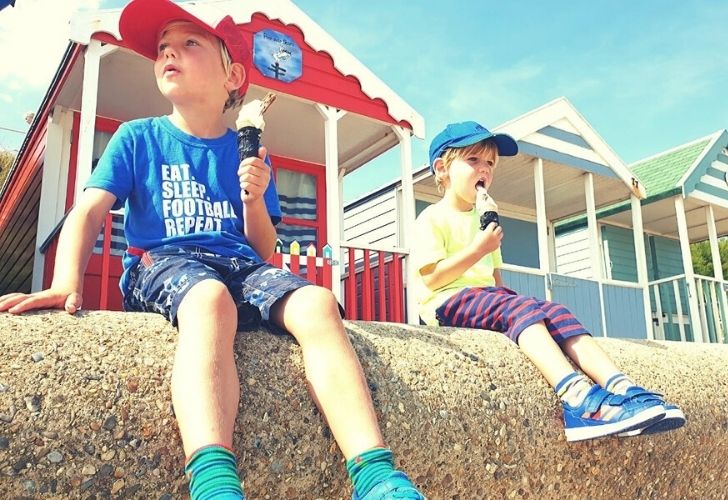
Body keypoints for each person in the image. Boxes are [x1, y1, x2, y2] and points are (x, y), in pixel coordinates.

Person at [0, 0, 423, 498]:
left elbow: (262, 247)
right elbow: (91, 210)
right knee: (207, 300)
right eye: (162, 48)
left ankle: (374, 472)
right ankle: (215, 478)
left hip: (240, 263)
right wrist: (66, 281)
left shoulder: (248, 154)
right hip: (165, 261)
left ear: (232, 75)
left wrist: (253, 198)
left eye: (189, 43)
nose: (168, 54)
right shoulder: (140, 137)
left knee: (318, 302)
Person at [411, 120, 686, 442]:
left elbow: (495, 278)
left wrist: (489, 257)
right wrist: (478, 249)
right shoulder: (433, 217)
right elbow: (430, 278)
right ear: (443, 168)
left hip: (483, 297)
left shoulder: (482, 221)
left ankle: (622, 388)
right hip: (447, 301)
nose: (483, 170)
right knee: (521, 311)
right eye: (473, 160)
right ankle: (578, 398)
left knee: (554, 311)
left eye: (490, 163)